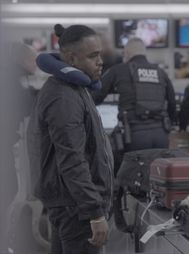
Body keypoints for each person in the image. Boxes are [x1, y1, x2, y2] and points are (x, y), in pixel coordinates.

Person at [27, 24, 113, 254]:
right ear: (72, 58)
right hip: (76, 208)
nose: (100, 61)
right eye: (93, 56)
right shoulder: (63, 96)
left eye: (100, 55)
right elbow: (72, 159)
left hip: (71, 203)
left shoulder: (74, 88)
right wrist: (94, 212)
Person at [92, 37, 176, 152]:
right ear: (144, 52)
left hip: (133, 135)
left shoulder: (118, 70)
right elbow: (172, 102)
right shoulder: (160, 72)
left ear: (126, 53)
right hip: (161, 135)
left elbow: (96, 96)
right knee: (157, 169)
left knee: (126, 169)